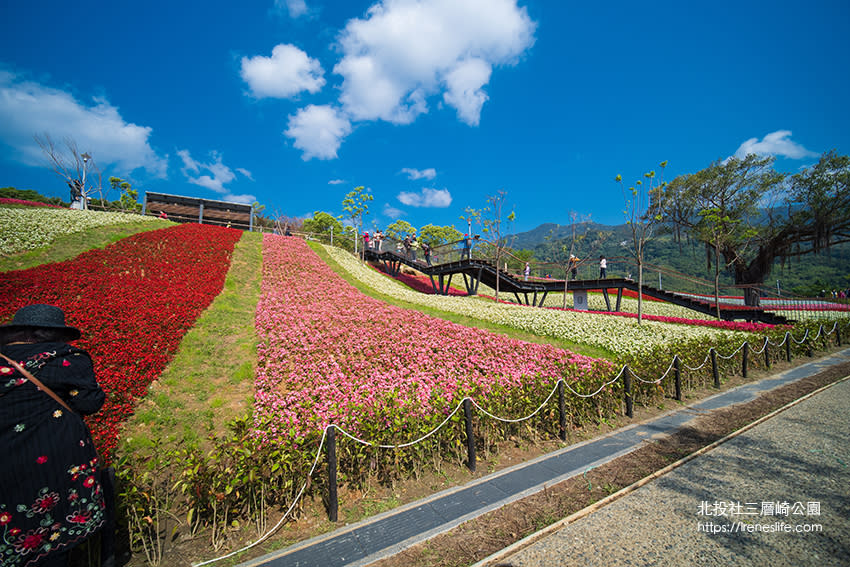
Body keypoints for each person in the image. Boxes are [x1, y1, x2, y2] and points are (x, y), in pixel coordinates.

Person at [0, 304, 107, 567]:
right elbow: (90, 402)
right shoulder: (63, 359)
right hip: (51, 463)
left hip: (5, 463)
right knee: (50, 535)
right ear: (52, 333)